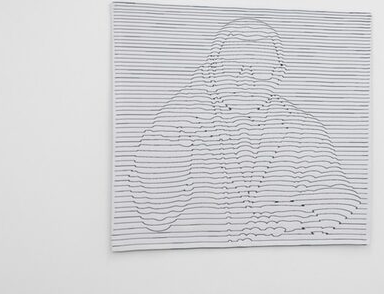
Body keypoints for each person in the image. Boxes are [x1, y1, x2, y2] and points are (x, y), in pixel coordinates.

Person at [126, 18, 361, 242]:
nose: (246, 81)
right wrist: (177, 123)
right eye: (233, 68)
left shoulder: (305, 129)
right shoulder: (177, 123)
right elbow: (155, 216)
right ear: (212, 70)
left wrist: (295, 217)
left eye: (260, 69)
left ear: (279, 74)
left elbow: (341, 199)